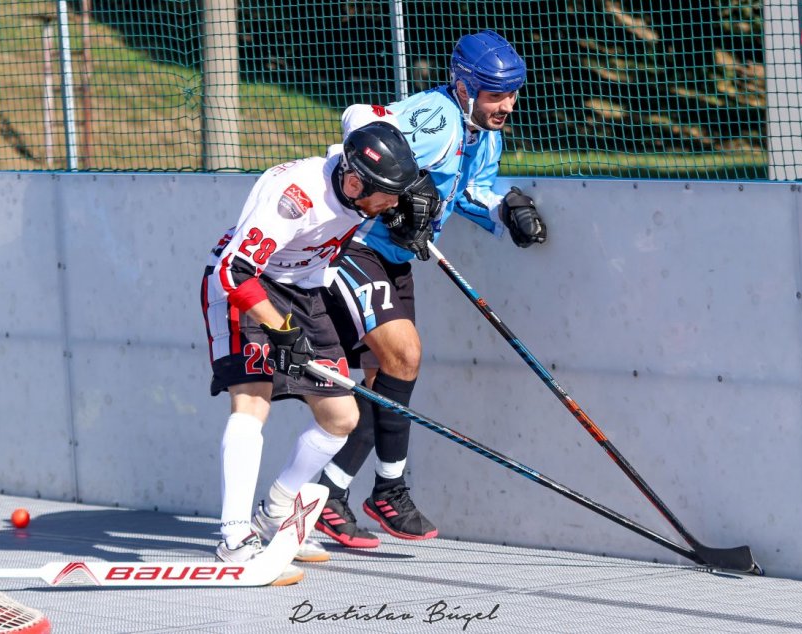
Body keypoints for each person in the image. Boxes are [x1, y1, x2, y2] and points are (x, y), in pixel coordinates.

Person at [315, 30, 547, 549]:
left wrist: (503, 210)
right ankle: (389, 489)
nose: (507, 105)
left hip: (397, 257)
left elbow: (469, 190)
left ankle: (331, 494)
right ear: (464, 88)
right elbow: (356, 130)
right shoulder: (435, 120)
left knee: (385, 383)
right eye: (495, 94)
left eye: (512, 94)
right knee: (405, 357)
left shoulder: (485, 133)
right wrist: (397, 195)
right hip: (357, 245)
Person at [200, 122, 426, 584]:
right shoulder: (294, 198)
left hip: (303, 290)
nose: (393, 204)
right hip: (247, 288)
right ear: (355, 183)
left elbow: (360, 121)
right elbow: (233, 271)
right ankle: (235, 539)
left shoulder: (356, 180)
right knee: (253, 399)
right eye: (388, 196)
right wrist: (280, 330)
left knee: (340, 417)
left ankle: (276, 514)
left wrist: (401, 211)